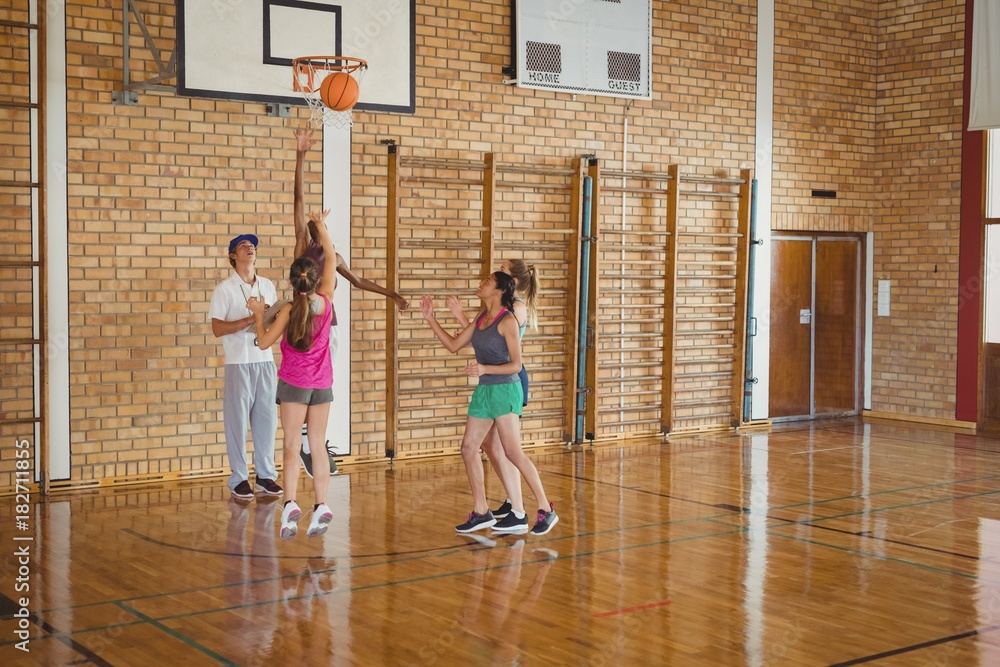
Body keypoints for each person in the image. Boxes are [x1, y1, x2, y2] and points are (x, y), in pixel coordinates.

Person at [291, 127, 409, 476]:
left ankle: (313, 443)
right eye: (316, 221)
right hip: (306, 323)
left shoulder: (335, 255)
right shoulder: (303, 247)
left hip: (331, 327)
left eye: (321, 220)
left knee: (324, 384)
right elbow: (297, 202)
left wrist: (391, 294)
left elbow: (358, 281)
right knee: (310, 382)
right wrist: (301, 155)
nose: (318, 221)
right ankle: (305, 445)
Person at [422, 271, 558, 536]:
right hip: (485, 391)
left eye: (486, 281)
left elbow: (516, 365)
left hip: (506, 389)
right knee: (468, 448)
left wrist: (483, 368)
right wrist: (430, 318)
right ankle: (482, 510)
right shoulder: (481, 318)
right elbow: (453, 345)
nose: (480, 283)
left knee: (513, 452)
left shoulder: (508, 322)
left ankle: (545, 508)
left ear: (497, 291)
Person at [248, 210, 337, 540]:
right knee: (317, 446)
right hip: (322, 385)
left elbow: (262, 342)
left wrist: (259, 314)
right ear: (315, 281)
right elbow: (328, 256)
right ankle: (322, 504)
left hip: (294, 385)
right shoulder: (326, 303)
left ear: (292, 281)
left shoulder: (287, 309)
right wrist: (321, 228)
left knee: (289, 446)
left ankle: (290, 505)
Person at [446, 259, 541, 530]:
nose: (492, 271)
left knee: (507, 449)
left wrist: (465, 324)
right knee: (490, 446)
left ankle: (523, 507)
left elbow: (500, 345)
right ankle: (512, 504)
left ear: (508, 283)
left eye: (501, 268)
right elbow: (483, 337)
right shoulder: (495, 310)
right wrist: (464, 323)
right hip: (492, 375)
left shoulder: (515, 310)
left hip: (507, 378)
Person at [208, 233, 282, 501]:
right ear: (232, 256)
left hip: (264, 361)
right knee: (237, 423)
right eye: (243, 246)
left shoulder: (267, 285)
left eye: (252, 246)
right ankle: (239, 478)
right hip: (239, 363)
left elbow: (272, 322)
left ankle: (265, 475)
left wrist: (267, 319)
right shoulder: (224, 289)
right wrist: (252, 318)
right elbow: (217, 328)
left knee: (267, 421)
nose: (250, 248)